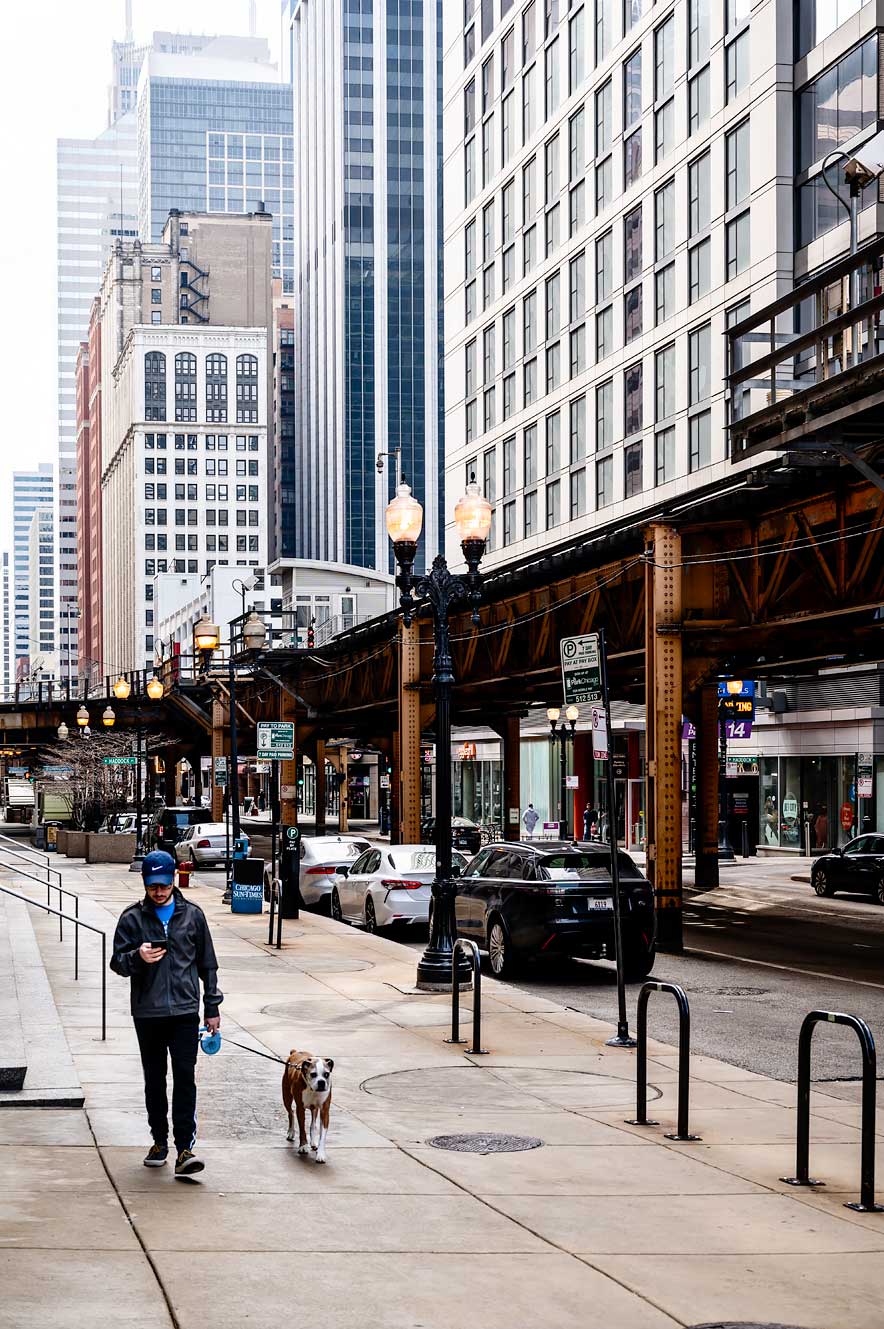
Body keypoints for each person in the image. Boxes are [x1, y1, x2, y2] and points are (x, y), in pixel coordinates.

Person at [110, 850, 222, 1179]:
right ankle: (159, 1141)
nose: (158, 892)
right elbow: (117, 962)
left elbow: (208, 964)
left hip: (185, 1012)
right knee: (155, 1079)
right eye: (152, 886)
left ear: (174, 879)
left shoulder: (193, 915)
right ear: (144, 883)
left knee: (185, 1078)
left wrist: (212, 1007)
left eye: (163, 885)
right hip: (148, 1013)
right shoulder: (132, 918)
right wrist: (137, 956)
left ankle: (185, 1148)